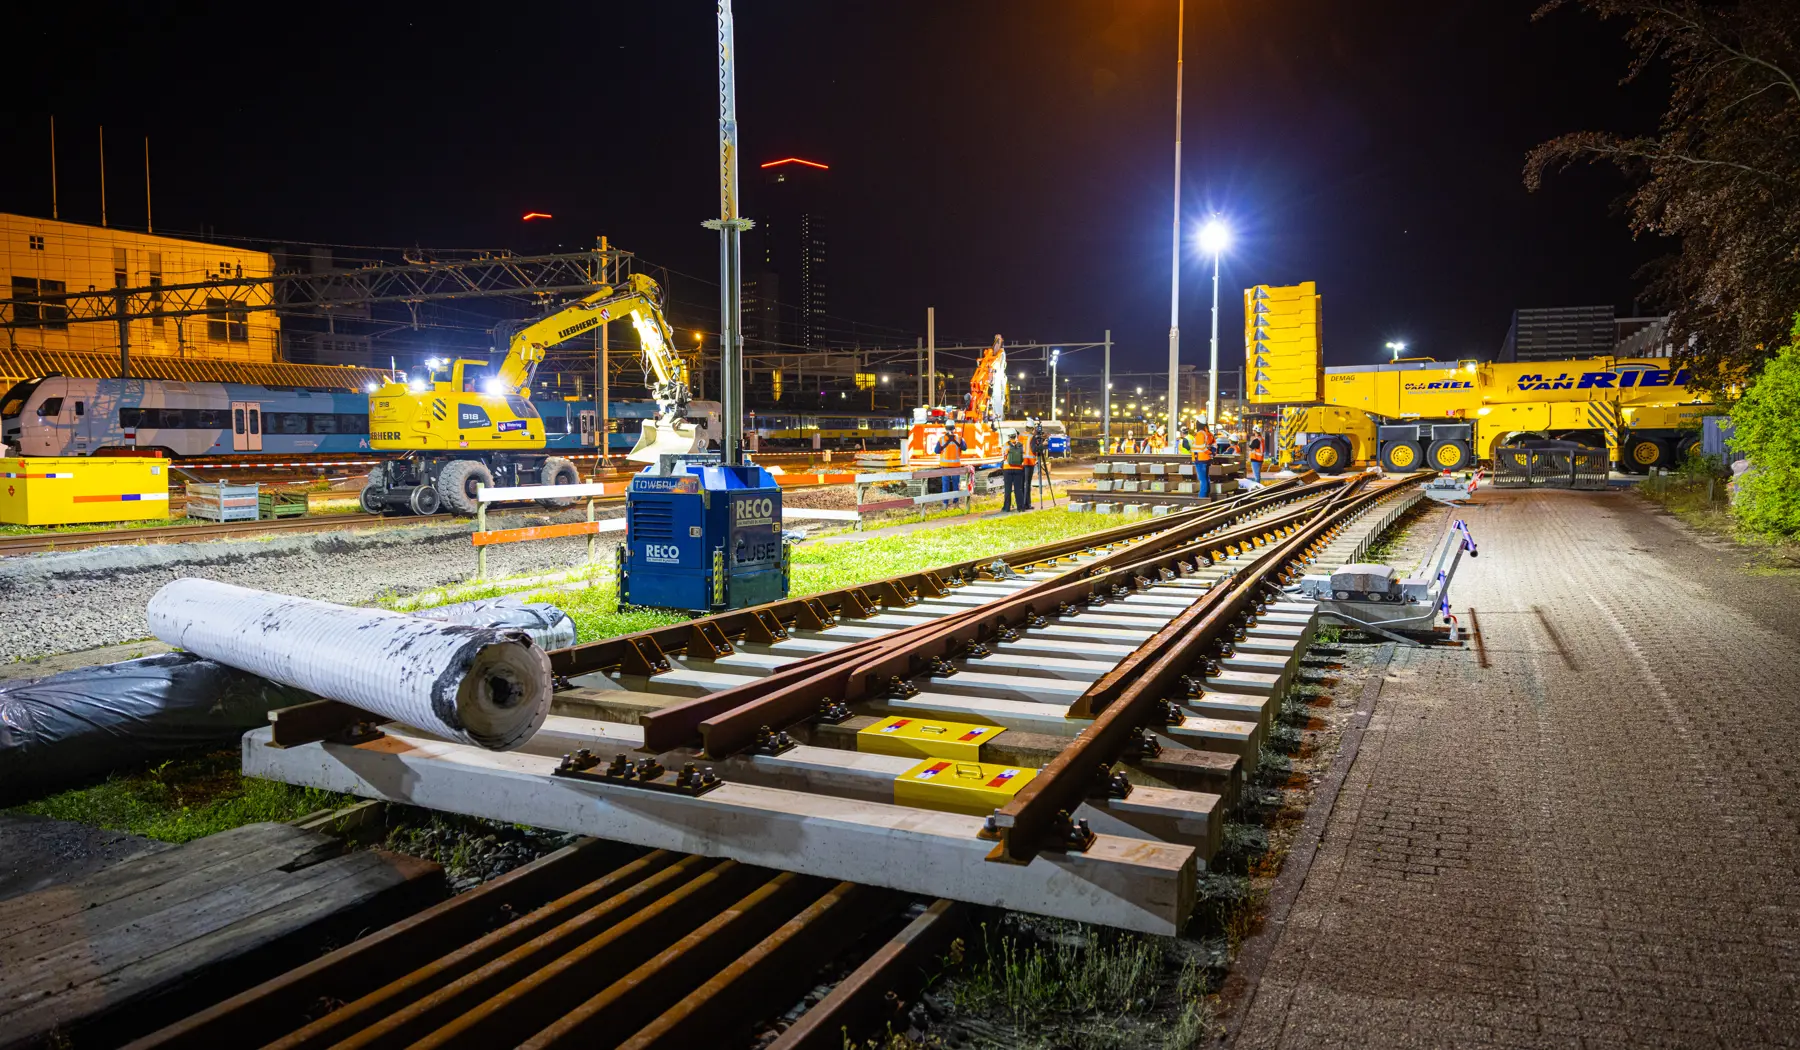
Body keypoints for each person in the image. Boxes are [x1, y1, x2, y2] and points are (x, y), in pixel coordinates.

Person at [934, 423, 967, 493]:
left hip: (945, 466)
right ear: (954, 429)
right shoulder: (959, 439)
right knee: (956, 485)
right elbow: (964, 448)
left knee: (945, 485)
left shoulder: (941, 439)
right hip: (956, 466)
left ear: (946, 429)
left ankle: (945, 502)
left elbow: (936, 451)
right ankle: (956, 502)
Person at [1001, 429, 1027, 511]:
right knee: (1018, 489)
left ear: (1008, 436)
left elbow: (1003, 456)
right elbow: (1024, 457)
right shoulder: (1021, 445)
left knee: (1008, 489)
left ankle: (1006, 507)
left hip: (1007, 469)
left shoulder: (1005, 445)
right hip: (1019, 469)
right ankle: (1020, 507)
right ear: (1015, 435)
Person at [1191, 422, 1214, 498]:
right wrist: (1212, 453)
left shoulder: (1200, 434)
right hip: (1205, 459)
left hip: (1200, 459)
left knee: (1203, 480)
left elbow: (1201, 447)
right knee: (1206, 478)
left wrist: (1209, 452)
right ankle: (1207, 496)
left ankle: (1202, 498)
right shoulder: (1208, 434)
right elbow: (1214, 445)